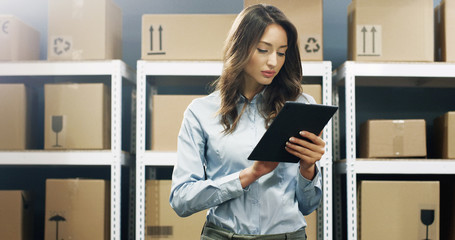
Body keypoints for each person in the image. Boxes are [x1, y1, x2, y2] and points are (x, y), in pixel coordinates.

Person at [170, 4, 324, 240]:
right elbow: (181, 199)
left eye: (281, 52)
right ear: (240, 47)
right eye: (263, 50)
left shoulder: (301, 107)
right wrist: (249, 175)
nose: (273, 61)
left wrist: (308, 169)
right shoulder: (201, 112)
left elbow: (308, 205)